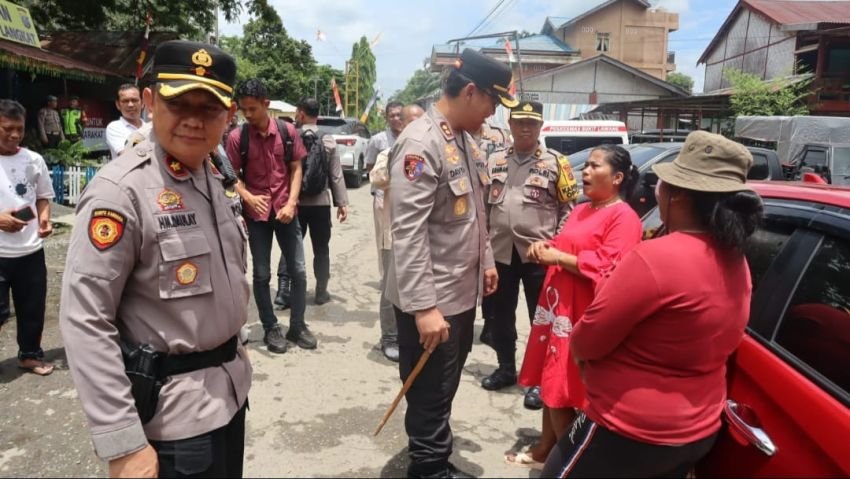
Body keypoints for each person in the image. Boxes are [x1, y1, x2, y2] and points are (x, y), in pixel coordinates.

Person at [60, 40, 251, 478]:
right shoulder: (121, 191)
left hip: (229, 394)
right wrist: (123, 441)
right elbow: (85, 318)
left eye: (210, 108)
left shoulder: (213, 174)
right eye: (178, 102)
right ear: (149, 101)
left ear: (229, 114)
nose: (192, 119)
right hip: (170, 420)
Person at [541, 131, 762, 477]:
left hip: (628, 428)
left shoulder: (654, 257)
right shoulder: (736, 259)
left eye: (663, 184)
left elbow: (587, 340)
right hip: (699, 427)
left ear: (678, 196)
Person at [385, 48, 516, 478]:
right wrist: (423, 307)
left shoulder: (460, 138)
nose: (494, 113)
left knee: (443, 387)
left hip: (458, 295)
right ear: (471, 91)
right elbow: (408, 231)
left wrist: (486, 263)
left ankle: (434, 458)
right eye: (493, 102)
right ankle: (428, 468)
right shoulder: (422, 142)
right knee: (429, 390)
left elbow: (474, 210)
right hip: (434, 300)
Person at [514, 145, 642, 470]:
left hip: (582, 315)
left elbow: (610, 268)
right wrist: (545, 248)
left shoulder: (623, 217)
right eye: (585, 165)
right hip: (558, 308)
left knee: (561, 387)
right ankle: (546, 447)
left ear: (617, 177)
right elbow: (565, 243)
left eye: (593, 166)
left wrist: (561, 258)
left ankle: (570, 463)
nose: (584, 172)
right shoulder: (583, 209)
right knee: (550, 380)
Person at [480, 101, 575, 402]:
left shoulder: (557, 162)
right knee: (499, 315)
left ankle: (540, 380)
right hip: (500, 253)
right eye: (519, 122)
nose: (525, 128)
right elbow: (483, 206)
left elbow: (569, 211)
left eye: (531, 123)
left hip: (539, 256)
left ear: (541, 126)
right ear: (509, 124)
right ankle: (506, 368)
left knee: (542, 318)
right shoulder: (493, 159)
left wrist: (554, 246)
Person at [225, 78, 315, 353]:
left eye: (252, 109)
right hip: (257, 217)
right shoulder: (237, 138)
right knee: (262, 274)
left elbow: (296, 168)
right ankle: (270, 327)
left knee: (298, 271)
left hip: (287, 212)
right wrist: (248, 196)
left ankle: (297, 325)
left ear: (266, 104)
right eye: (243, 110)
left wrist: (291, 203)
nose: (247, 115)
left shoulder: (288, 132)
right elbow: (231, 177)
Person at [275, 97, 349, 306]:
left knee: (289, 247)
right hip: (321, 204)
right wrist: (341, 203)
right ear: (318, 114)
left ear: (300, 113)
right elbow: (336, 174)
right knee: (321, 248)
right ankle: (321, 291)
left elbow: (281, 172)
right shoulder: (328, 139)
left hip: (294, 203)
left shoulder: (290, 137)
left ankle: (283, 293)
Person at [0, 99, 55, 376]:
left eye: (19, 129)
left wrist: (44, 219)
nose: (14, 135)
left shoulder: (34, 160)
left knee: (32, 306)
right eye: (7, 128)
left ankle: (30, 354)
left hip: (30, 250)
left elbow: (43, 196)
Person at [369, 103, 425, 362]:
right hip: (393, 233)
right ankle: (389, 336)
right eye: (409, 121)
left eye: (419, 121)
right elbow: (378, 178)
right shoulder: (390, 152)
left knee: (418, 285)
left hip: (424, 236)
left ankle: (412, 336)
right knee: (390, 286)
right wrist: (400, 158)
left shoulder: (430, 152)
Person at [106, 84, 145, 160]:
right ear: (118, 105)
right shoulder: (114, 127)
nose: (130, 105)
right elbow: (127, 156)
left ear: (142, 103)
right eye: (125, 101)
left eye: (134, 100)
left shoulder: (150, 127)